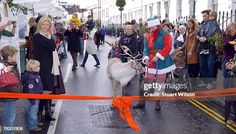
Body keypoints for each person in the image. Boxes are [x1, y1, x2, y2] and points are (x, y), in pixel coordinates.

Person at [133, 16, 176, 110]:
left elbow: (168, 47)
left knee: (160, 84)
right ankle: (141, 102)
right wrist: (146, 58)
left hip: (162, 61)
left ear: (158, 25)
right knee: (146, 82)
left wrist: (159, 56)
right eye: (150, 28)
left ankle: (157, 103)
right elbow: (146, 49)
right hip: (151, 61)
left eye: (153, 27)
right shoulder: (149, 36)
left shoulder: (166, 34)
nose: (151, 29)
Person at [32, 16, 57, 122]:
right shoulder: (37, 36)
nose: (45, 27)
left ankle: (47, 111)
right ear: (39, 25)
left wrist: (50, 37)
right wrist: (51, 38)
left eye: (47, 25)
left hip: (50, 65)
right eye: (43, 24)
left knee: (49, 88)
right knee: (43, 88)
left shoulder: (48, 36)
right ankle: (40, 112)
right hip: (41, 65)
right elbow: (52, 46)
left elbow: (52, 47)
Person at [0, 45, 22, 134]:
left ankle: (9, 130)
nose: (16, 57)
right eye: (15, 55)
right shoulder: (5, 67)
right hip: (8, 96)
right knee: (9, 116)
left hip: (9, 96)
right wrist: (17, 91)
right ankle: (8, 132)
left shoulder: (9, 65)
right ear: (9, 57)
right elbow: (9, 83)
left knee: (8, 116)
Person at [196, 9, 220, 89]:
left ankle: (211, 82)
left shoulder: (214, 24)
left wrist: (206, 39)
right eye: (203, 16)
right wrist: (199, 38)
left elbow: (216, 35)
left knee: (210, 65)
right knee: (202, 65)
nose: (204, 17)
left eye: (205, 16)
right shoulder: (202, 24)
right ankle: (206, 81)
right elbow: (197, 33)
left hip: (210, 47)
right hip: (202, 47)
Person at [21, 59, 43, 132]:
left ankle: (35, 122)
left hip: (36, 96)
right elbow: (30, 90)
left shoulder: (35, 75)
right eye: (38, 66)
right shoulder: (31, 78)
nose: (39, 68)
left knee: (34, 110)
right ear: (33, 68)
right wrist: (33, 99)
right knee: (33, 111)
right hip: (34, 98)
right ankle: (32, 126)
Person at [222, 23, 236, 88]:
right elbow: (225, 43)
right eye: (231, 31)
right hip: (227, 56)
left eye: (234, 30)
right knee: (225, 74)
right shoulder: (225, 35)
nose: (233, 32)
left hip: (234, 57)